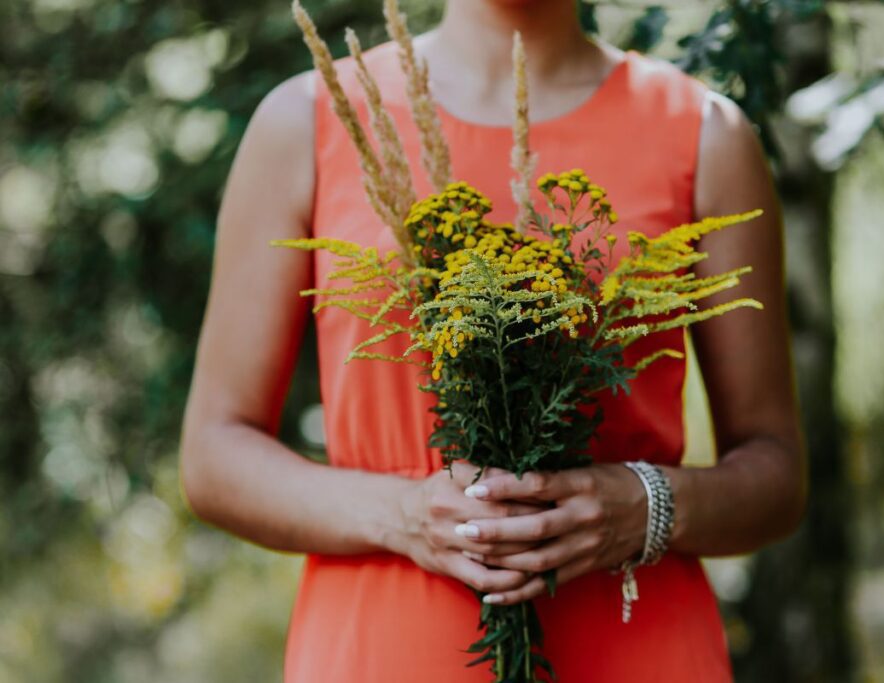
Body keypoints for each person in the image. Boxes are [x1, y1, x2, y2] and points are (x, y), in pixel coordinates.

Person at [178, 0, 807, 680]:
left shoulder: (705, 133)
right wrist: (401, 515)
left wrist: (641, 504)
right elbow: (214, 454)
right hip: (383, 650)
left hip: (636, 645)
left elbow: (775, 473)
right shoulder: (306, 120)